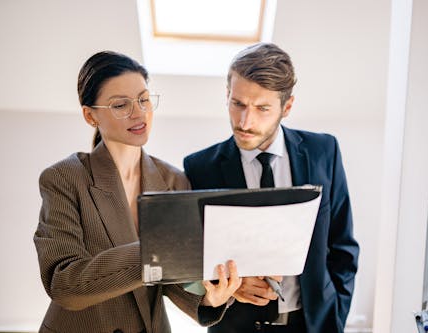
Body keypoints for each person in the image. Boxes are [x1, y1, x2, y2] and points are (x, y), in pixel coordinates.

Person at [33, 51, 241, 333]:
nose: (138, 112)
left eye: (144, 99)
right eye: (120, 105)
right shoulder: (64, 178)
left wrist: (209, 299)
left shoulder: (173, 181)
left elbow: (173, 281)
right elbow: (64, 284)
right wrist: (155, 251)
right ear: (90, 115)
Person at [183, 43, 359, 333]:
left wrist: (336, 313)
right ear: (227, 95)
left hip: (313, 324)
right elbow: (191, 262)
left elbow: (343, 246)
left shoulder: (323, 151)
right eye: (237, 103)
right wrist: (230, 288)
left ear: (286, 107)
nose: (245, 122)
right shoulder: (200, 167)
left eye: (262, 108)